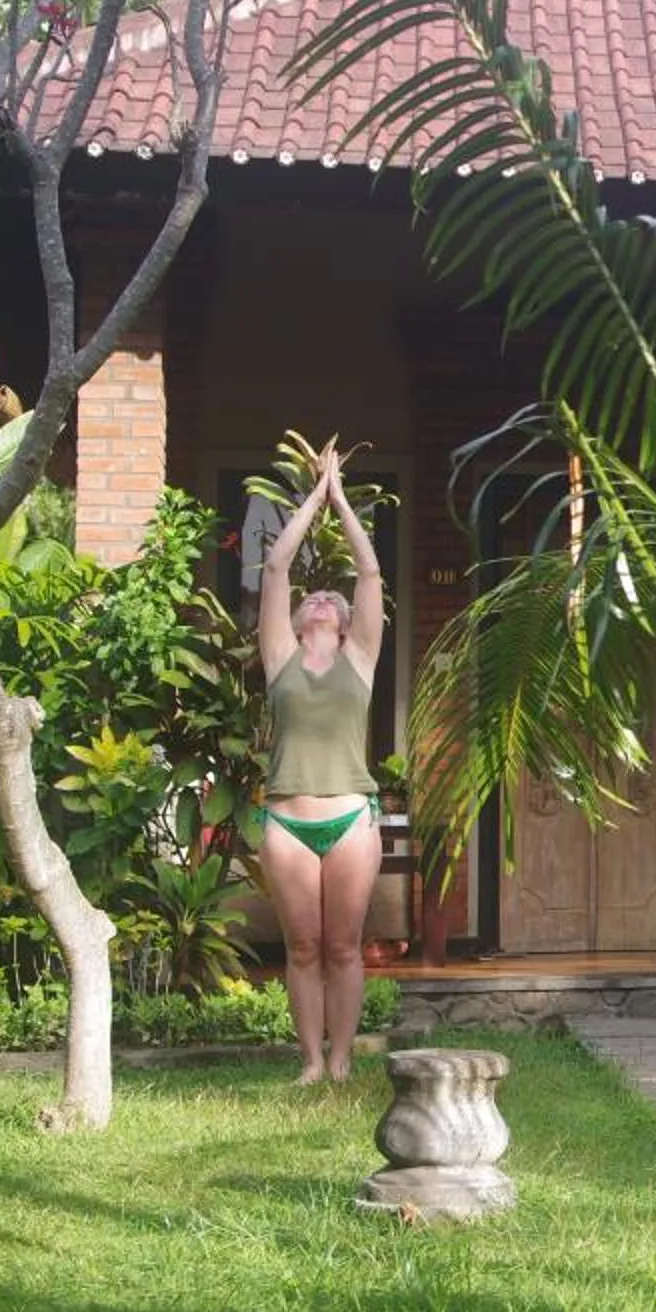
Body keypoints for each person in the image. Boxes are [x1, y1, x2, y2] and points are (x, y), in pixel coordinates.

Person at [253, 443, 386, 1084]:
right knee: (303, 947)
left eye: (334, 598)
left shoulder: (359, 659)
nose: (325, 599)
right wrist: (313, 498)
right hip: (287, 823)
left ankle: (340, 1059)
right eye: (316, 599)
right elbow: (277, 566)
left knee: (343, 947)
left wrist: (342, 499)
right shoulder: (280, 657)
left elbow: (370, 573)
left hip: (352, 819)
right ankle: (310, 1061)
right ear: (301, 620)